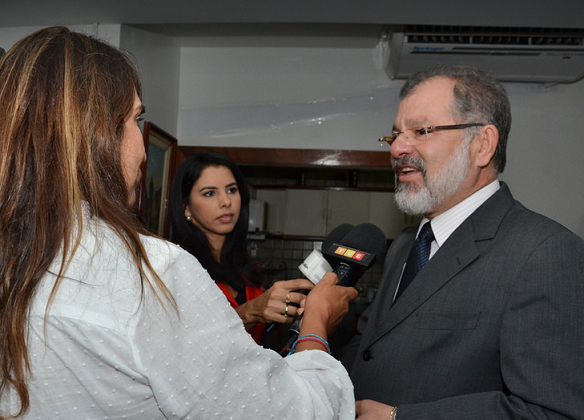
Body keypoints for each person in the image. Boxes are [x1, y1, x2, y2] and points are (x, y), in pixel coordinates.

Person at [0, 26, 358, 419]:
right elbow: (288, 412)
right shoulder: (151, 274)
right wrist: (316, 323)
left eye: (232, 190)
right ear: (95, 135)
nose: (139, 146)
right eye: (135, 119)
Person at [341, 65, 584, 420]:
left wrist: (399, 418)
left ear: (482, 145)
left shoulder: (544, 253)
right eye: (394, 135)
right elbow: (372, 349)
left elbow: (552, 412)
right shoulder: (406, 245)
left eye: (421, 131)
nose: (397, 148)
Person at [169, 152, 315, 344]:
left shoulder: (248, 270)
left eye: (231, 190)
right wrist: (251, 312)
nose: (226, 202)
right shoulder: (175, 270)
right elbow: (187, 344)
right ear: (186, 207)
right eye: (210, 193)